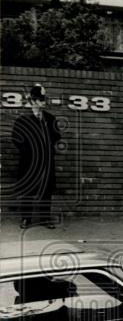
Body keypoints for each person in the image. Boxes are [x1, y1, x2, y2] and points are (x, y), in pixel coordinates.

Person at [11, 84, 61, 229]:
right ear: (32, 101)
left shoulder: (50, 119)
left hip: (46, 162)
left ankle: (45, 218)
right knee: (28, 190)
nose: (43, 102)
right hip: (30, 162)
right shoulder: (22, 120)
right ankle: (26, 218)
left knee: (46, 190)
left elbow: (56, 137)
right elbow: (16, 139)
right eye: (40, 99)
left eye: (44, 99)